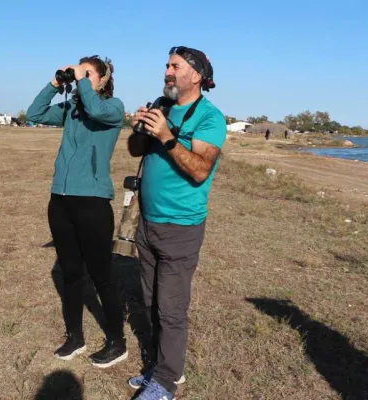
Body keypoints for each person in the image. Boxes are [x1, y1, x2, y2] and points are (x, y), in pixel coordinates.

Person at [126, 46, 226, 400]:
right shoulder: (162, 106)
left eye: (175, 66)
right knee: (151, 301)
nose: (167, 71)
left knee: (171, 308)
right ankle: (162, 367)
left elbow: (200, 170)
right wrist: (142, 128)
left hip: (180, 227)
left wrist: (167, 135)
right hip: (148, 221)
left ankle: (166, 383)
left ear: (196, 75)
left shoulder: (210, 117)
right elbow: (135, 151)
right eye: (166, 65)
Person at [26, 55, 128, 368]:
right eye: (78, 72)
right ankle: (75, 337)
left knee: (101, 276)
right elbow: (34, 113)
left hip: (93, 202)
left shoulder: (113, 108)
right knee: (70, 273)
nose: (79, 76)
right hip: (60, 201)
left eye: (87, 73)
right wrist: (56, 82)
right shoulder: (71, 110)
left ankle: (117, 342)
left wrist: (81, 79)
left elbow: (95, 108)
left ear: (102, 80)